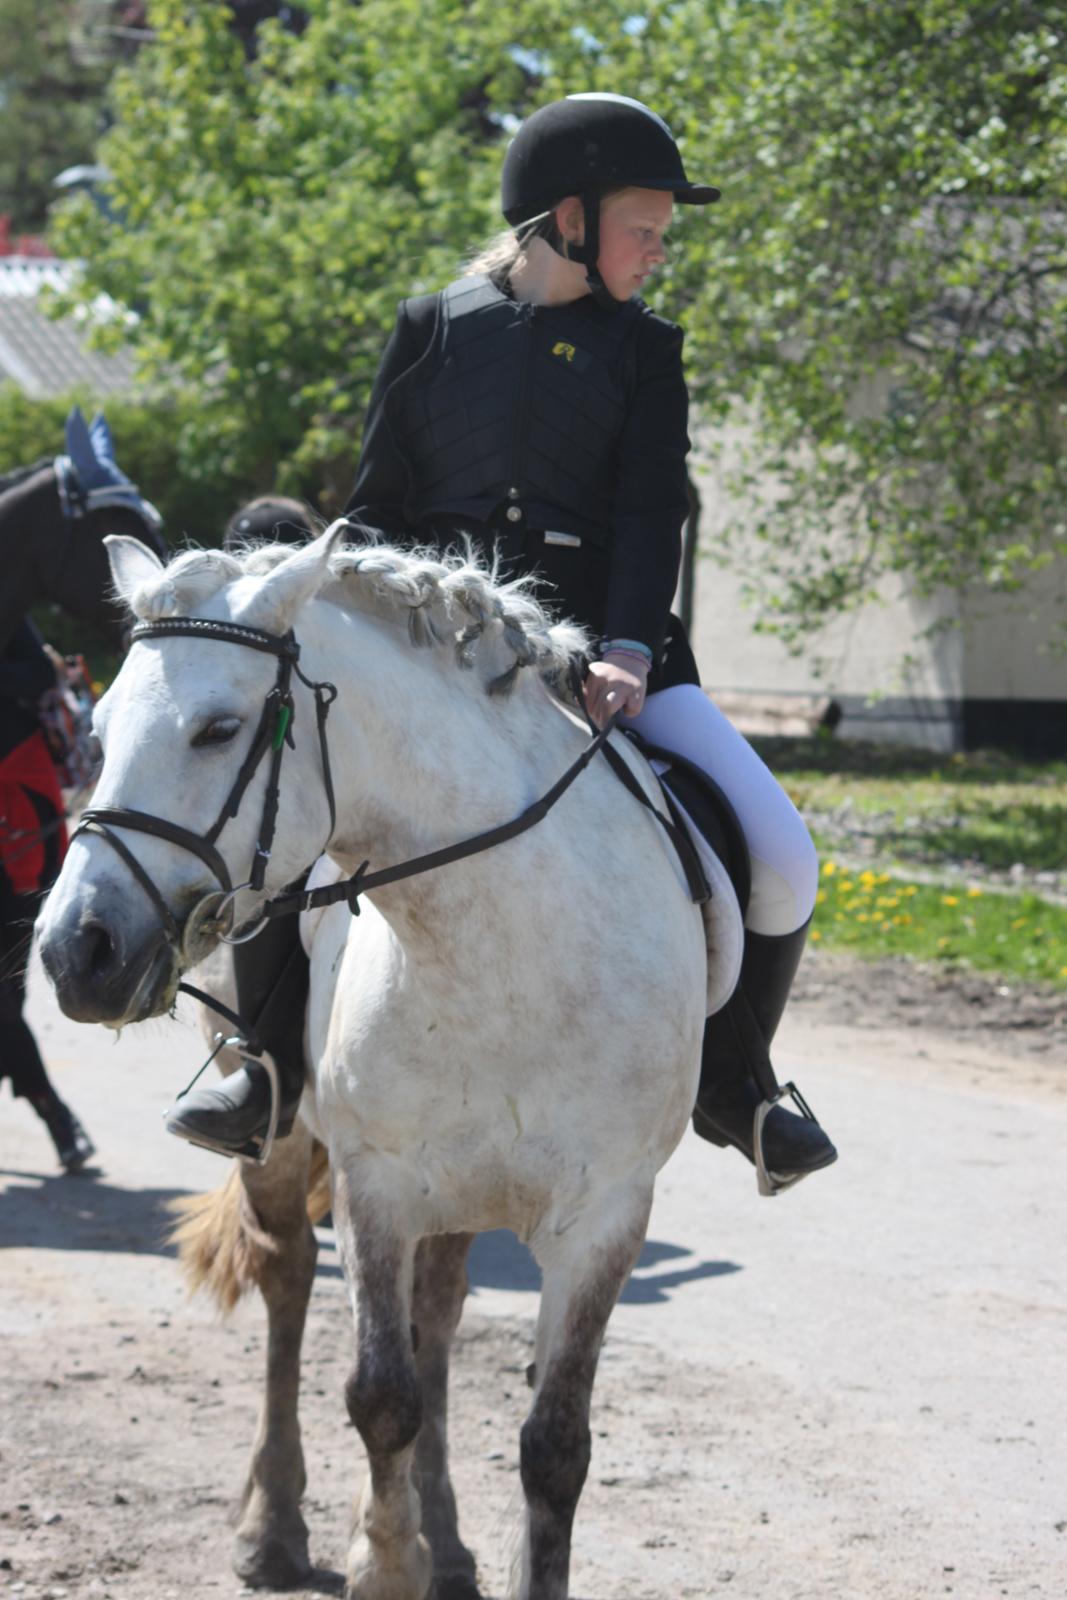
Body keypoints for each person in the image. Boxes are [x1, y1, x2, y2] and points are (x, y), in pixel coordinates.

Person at [171, 94, 836, 1191]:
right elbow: (380, 513)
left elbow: (646, 517)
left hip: (614, 663)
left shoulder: (647, 352)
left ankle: (738, 1080)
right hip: (446, 661)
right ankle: (263, 1068)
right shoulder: (433, 331)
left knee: (780, 854)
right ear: (566, 218)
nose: (660, 250)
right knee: (292, 825)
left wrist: (625, 644)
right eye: (645, 226)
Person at [0, 618, 96, 1172]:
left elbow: (37, 673)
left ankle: (53, 1115)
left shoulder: (6, 592)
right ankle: (53, 1112)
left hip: (20, 832)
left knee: (6, 1000)